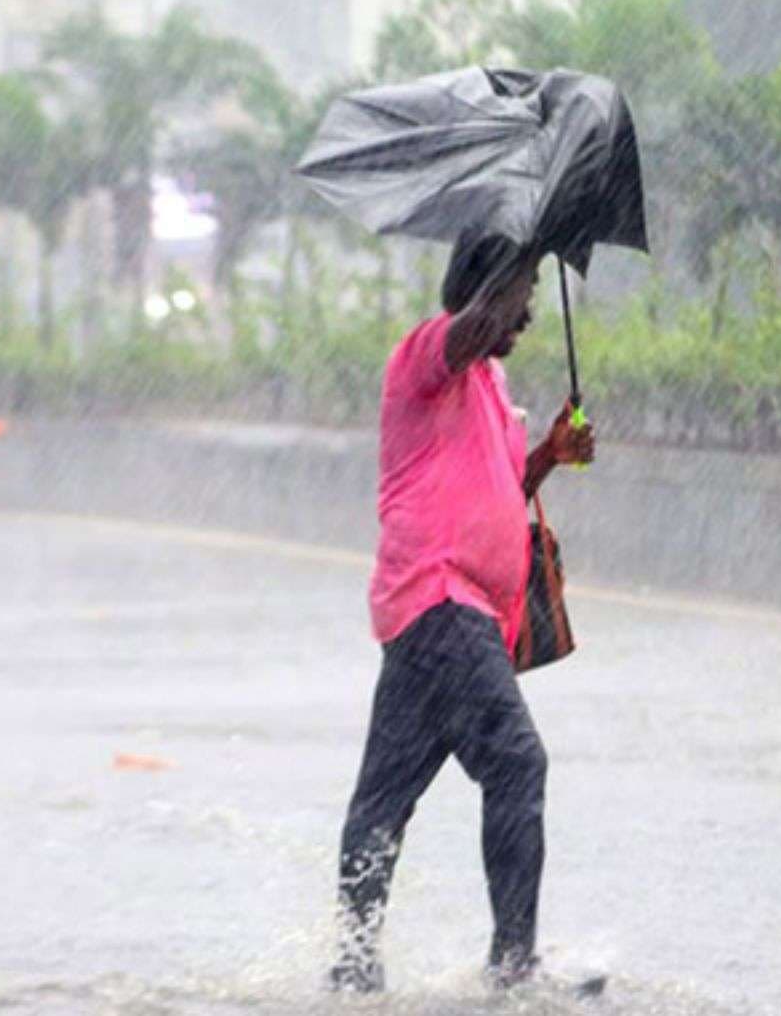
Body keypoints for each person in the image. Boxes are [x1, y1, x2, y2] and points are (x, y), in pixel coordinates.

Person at [329, 233, 595, 994]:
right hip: (442, 603)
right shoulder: (425, 359)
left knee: (383, 801)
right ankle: (514, 969)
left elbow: (499, 494)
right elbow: (473, 327)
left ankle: (352, 969)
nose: (529, 315)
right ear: (486, 290)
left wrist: (549, 454)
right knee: (516, 761)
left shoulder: (489, 391)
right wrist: (527, 251)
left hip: (441, 616)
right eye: (522, 296)